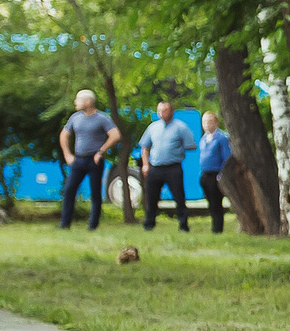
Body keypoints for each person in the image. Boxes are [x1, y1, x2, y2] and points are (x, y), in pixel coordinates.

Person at [58, 89, 124, 230]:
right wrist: (67, 155)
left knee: (95, 193)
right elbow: (64, 134)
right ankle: (65, 224)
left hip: (94, 160)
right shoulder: (75, 118)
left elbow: (115, 135)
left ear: (88, 102)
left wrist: (101, 151)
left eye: (78, 99)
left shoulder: (102, 118)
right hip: (78, 160)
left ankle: (93, 225)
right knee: (69, 190)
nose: (75, 102)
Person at [136, 101, 196, 231]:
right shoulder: (153, 127)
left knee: (178, 197)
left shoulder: (181, 127)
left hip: (173, 167)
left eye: (164, 110)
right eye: (159, 110)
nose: (161, 113)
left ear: (172, 111)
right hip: (155, 167)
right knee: (151, 197)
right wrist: (145, 165)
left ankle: (183, 225)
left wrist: (177, 149)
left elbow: (191, 145)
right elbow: (145, 147)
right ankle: (149, 224)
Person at [197, 111, 232, 234]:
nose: (206, 124)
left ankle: (218, 228)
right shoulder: (203, 138)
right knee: (210, 202)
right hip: (205, 173)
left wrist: (221, 175)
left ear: (216, 122)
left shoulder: (221, 138)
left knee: (216, 202)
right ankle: (214, 226)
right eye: (204, 122)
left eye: (209, 121)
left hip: (215, 174)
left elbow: (227, 157)